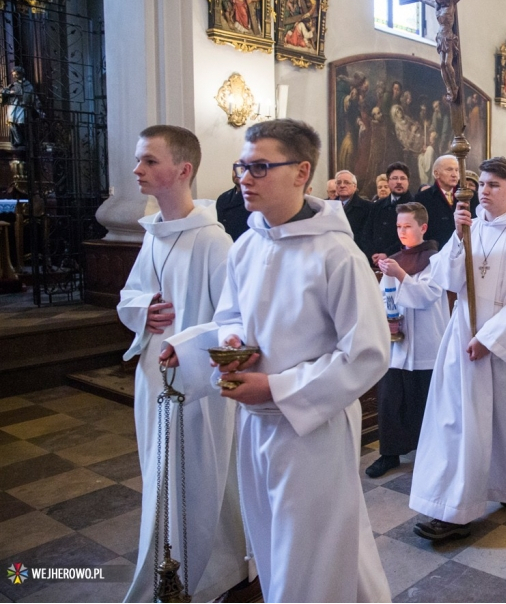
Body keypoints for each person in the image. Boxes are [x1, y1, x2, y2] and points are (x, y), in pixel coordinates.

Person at [162, 119, 391, 602]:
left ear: (301, 172)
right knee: (273, 542)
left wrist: (276, 388)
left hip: (312, 428)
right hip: (254, 421)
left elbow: (367, 352)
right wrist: (199, 347)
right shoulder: (248, 243)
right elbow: (232, 316)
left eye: (260, 167)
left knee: (309, 549)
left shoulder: (336, 255)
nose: (245, 177)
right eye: (242, 166)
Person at [117, 126, 246, 603]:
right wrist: (142, 309)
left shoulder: (215, 243)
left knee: (199, 479)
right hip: (153, 376)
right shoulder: (153, 235)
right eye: (139, 160)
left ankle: (206, 573)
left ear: (183, 170)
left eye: (150, 161)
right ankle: (172, 567)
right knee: (160, 476)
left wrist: (190, 354)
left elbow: (233, 325)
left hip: (197, 389)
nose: (138, 170)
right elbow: (129, 295)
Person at [409, 157, 506, 540]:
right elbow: (448, 280)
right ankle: (455, 508)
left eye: (493, 186)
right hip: (463, 337)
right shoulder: (470, 229)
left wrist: (490, 339)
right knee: (459, 422)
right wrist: (458, 237)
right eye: (481, 185)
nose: (484, 191)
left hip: (504, 342)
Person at [366, 202, 449, 479]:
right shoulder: (394, 259)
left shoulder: (436, 260)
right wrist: (385, 318)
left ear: (422, 228)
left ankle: (430, 453)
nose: (402, 231)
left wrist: (399, 275)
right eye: (399, 226)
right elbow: (382, 297)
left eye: (408, 226)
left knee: (424, 401)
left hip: (427, 342)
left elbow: (427, 296)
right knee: (390, 400)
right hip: (397, 344)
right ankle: (389, 454)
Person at [414, 154, 479, 248]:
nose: (454, 174)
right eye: (449, 170)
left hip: (466, 248)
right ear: (436, 174)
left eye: (457, 170)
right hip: (436, 251)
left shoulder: (470, 195)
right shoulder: (422, 198)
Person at [360, 161, 413, 263]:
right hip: (374, 262)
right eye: (394, 178)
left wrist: (387, 254)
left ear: (408, 182)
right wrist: (372, 254)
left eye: (402, 178)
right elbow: (366, 233)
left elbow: (412, 238)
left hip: (402, 262)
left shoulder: (415, 205)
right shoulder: (377, 205)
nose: (399, 182)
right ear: (388, 182)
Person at [336, 169, 372, 236]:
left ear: (354, 187)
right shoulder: (328, 206)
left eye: (346, 182)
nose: (342, 185)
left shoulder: (367, 207)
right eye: (338, 183)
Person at [216, 172, 250, 241]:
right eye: (234, 169)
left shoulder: (253, 199)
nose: (236, 173)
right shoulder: (223, 197)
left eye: (241, 170)